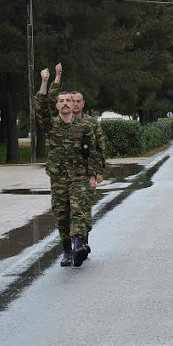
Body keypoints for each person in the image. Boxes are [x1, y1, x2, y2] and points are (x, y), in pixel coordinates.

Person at [35, 64, 101, 267]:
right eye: (61, 101)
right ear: (57, 106)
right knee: (62, 215)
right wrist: (45, 81)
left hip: (79, 176)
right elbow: (40, 105)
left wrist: (94, 175)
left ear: (74, 105)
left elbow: (93, 151)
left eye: (68, 101)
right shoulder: (51, 125)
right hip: (58, 177)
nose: (65, 104)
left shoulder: (84, 126)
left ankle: (80, 245)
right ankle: (67, 250)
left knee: (78, 209)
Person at [71, 90, 108, 253]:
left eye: (79, 101)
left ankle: (83, 240)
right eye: (73, 101)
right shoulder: (64, 123)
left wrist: (99, 171)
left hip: (88, 171)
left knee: (84, 207)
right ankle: (77, 243)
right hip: (70, 173)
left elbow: (100, 147)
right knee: (74, 208)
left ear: (83, 103)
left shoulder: (92, 123)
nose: (76, 104)